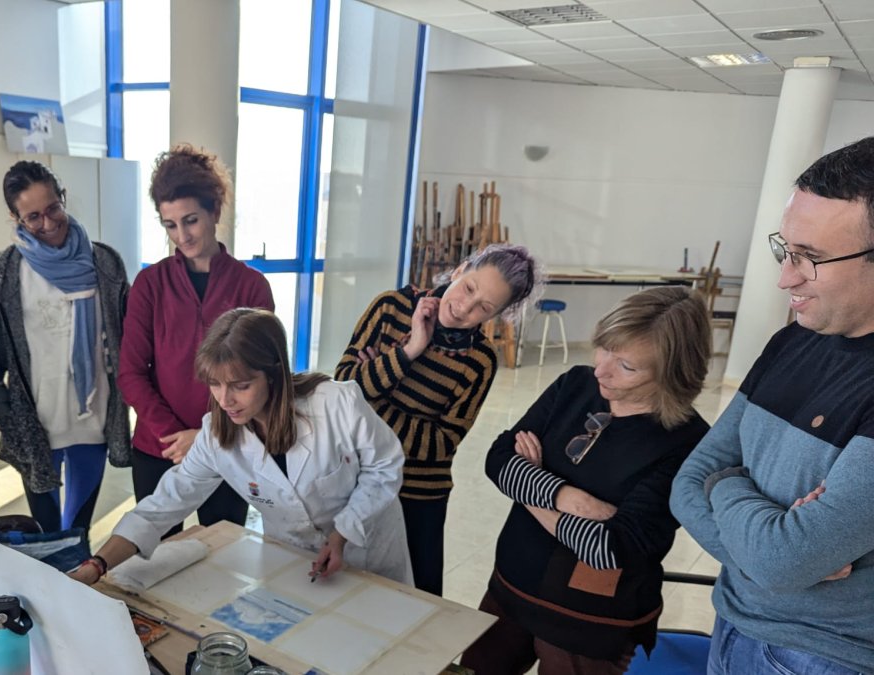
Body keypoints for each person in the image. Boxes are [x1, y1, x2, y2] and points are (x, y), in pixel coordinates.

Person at [670, 138, 874, 675]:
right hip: (733, 620)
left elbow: (781, 558)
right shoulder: (795, 340)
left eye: (813, 258)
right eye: (786, 248)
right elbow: (687, 482)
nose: (786, 277)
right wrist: (768, 551)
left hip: (821, 656)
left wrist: (727, 484)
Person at [463, 286, 712, 675]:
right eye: (604, 348)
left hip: (592, 623)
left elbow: (609, 549)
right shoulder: (575, 385)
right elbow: (499, 460)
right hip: (510, 588)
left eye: (626, 366)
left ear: (674, 374)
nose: (601, 370)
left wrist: (530, 487)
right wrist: (570, 499)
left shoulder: (687, 441)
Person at [69, 308, 412, 586]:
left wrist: (343, 533)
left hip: (366, 548)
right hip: (294, 555)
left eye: (241, 386)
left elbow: (385, 468)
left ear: (274, 373)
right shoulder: (216, 435)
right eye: (215, 385)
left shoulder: (336, 404)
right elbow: (164, 504)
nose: (225, 400)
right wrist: (97, 564)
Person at [334, 243, 542, 595]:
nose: (464, 307)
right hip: (354, 478)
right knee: (346, 587)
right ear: (460, 270)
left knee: (416, 600)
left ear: (496, 315)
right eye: (469, 288)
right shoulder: (391, 308)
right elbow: (342, 388)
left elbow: (442, 443)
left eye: (484, 308)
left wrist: (371, 401)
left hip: (417, 494)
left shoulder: (480, 360)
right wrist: (410, 349)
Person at [118, 144, 274, 537]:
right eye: (170, 225)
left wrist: (205, 439)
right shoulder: (149, 284)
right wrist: (176, 438)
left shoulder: (253, 287)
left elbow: (262, 377)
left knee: (220, 558)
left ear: (215, 212)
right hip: (159, 448)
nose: (182, 236)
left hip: (228, 448)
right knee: (153, 560)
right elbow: (131, 373)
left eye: (190, 220)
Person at [0, 161, 130, 533]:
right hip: (36, 423)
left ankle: (77, 583)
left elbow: (128, 337)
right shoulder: (5, 271)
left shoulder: (104, 262)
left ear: (63, 198)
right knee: (46, 532)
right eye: (33, 217)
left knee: (77, 531)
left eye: (54, 208)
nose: (48, 223)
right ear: (15, 218)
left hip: (95, 418)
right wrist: (4, 413)